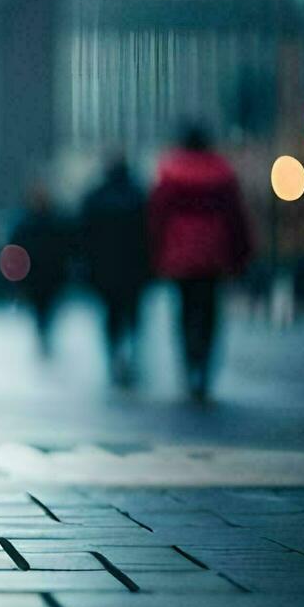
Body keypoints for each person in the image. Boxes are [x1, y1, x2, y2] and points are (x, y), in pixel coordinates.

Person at [147, 125, 252, 402]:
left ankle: (189, 362)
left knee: (184, 310)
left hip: (180, 255)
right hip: (213, 254)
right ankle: (204, 364)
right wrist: (240, 255)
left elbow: (156, 218)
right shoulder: (222, 174)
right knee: (209, 311)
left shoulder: (170, 173)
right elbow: (236, 218)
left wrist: (155, 254)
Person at [79, 158, 150, 386]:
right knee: (132, 312)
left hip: (105, 268)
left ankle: (114, 352)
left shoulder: (95, 197)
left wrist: (86, 265)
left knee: (111, 313)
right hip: (134, 267)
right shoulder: (138, 196)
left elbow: (84, 236)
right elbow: (149, 234)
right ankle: (131, 349)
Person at [10, 185, 71, 357]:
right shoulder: (41, 222)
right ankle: (43, 334)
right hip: (41, 275)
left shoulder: (33, 223)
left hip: (46, 275)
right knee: (42, 309)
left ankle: (44, 334)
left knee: (45, 309)